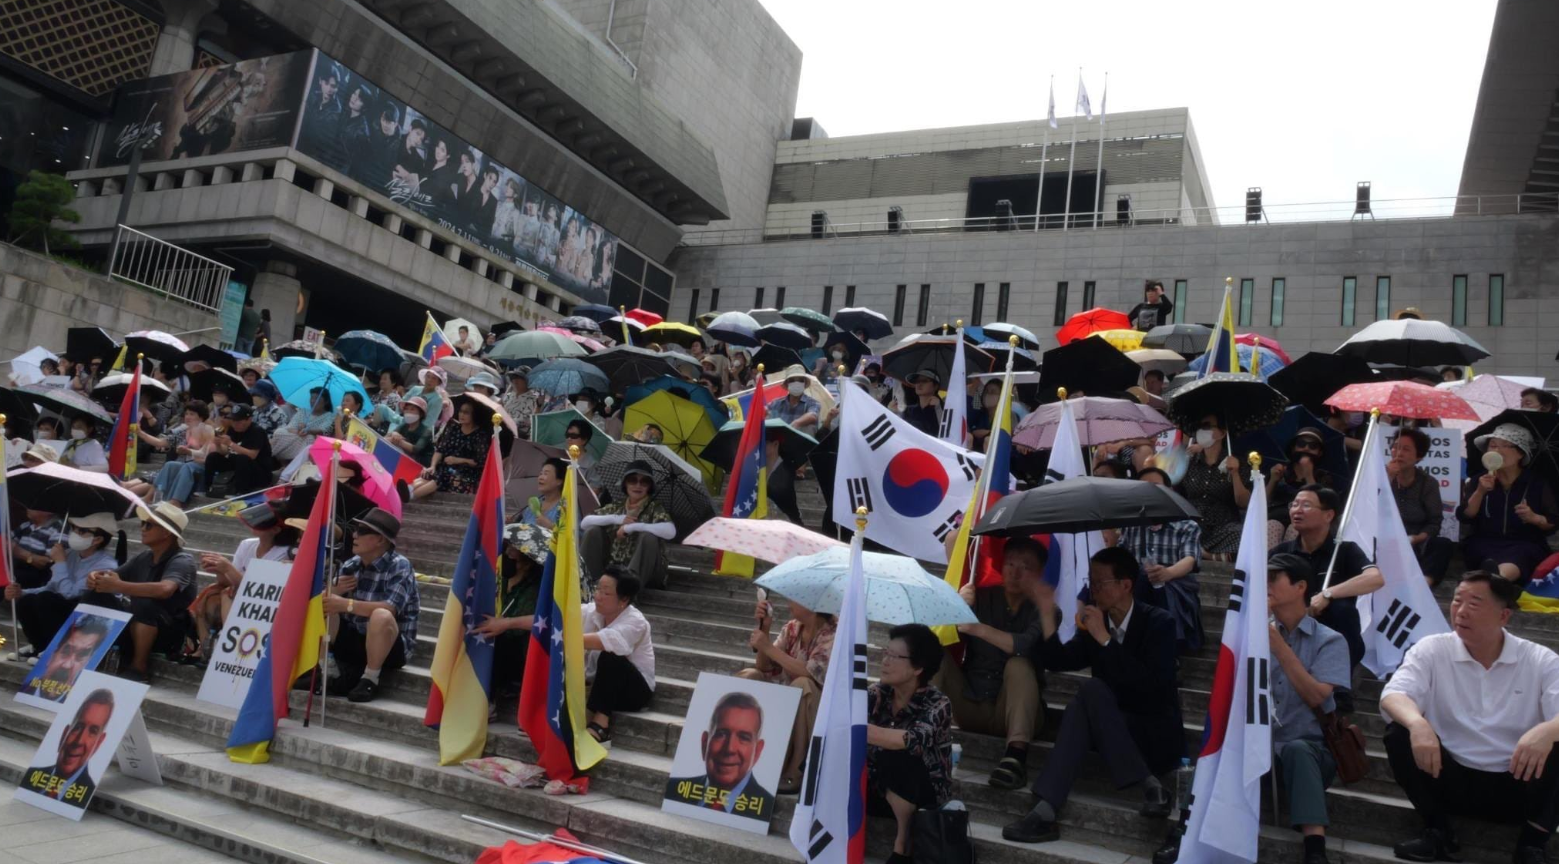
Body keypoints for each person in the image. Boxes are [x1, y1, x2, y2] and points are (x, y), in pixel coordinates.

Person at [1003, 547, 1180, 845]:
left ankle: (1046, 809)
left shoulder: (1159, 622)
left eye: (1100, 583)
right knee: (1089, 694)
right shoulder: (1097, 624)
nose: (1093, 589)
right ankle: (1148, 786)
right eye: (1091, 581)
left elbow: (1153, 689)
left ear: (1126, 585)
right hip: (1109, 729)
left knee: (1090, 691)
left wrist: (1106, 640)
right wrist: (1047, 614)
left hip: (1152, 733)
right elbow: (1059, 661)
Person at [1381, 571, 1559, 864]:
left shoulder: (1540, 659)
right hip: (1449, 778)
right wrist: (1417, 724)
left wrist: (1548, 730)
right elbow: (1393, 695)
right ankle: (1437, 830)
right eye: (1456, 600)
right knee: (1398, 731)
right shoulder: (1432, 648)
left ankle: (1532, 844)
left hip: (1518, 783)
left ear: (1503, 616)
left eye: (1474, 604)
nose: (1460, 611)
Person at [938, 536, 1046, 791]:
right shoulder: (980, 596)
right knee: (932, 652)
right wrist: (955, 602)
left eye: (1025, 566)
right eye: (1010, 564)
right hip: (971, 702)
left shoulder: (1046, 609)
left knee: (1018, 664)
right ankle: (919, 736)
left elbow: (1025, 645)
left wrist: (979, 629)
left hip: (1014, 712)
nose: (1015, 572)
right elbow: (944, 633)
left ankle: (1015, 758)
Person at [1266, 553, 1354, 864]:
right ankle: (1183, 829)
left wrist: (1277, 645)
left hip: (1314, 752)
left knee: (1298, 749)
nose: (1265, 585)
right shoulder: (1254, 636)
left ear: (1300, 586)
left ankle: (1315, 850)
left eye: (1273, 578)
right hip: (1262, 750)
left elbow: (1317, 697)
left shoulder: (1330, 640)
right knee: (1222, 747)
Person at [867, 622, 954, 864]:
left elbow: (913, 739)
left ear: (918, 668)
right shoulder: (877, 694)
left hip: (922, 794)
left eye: (894, 656)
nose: (885, 661)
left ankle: (903, 843)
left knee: (897, 753)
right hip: (878, 787)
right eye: (885, 653)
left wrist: (862, 730)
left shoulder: (938, 703)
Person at [1272, 485, 1383, 673]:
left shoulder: (1345, 550)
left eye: (1306, 505)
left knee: (1342, 610)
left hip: (1335, 644)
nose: (1297, 510)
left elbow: (1375, 579)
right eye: (1295, 504)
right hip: (1290, 636)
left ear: (1328, 515)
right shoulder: (1280, 553)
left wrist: (1328, 594)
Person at [82, 503, 197, 683]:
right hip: (138, 624)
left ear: (166, 533)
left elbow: (165, 589)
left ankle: (139, 667)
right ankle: (85, 653)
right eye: (142, 523)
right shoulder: (144, 557)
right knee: (94, 594)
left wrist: (118, 586)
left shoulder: (182, 560)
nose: (142, 528)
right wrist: (96, 577)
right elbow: (113, 576)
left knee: (145, 603)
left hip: (168, 632)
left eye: (148, 525)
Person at [738, 594, 836, 795]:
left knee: (802, 685)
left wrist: (767, 646)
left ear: (812, 603)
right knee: (750, 675)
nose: (789, 602)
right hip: (784, 697)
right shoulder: (792, 627)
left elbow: (810, 671)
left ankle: (796, 769)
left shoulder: (834, 632)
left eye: (794, 597)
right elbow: (764, 666)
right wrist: (765, 627)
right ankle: (741, 755)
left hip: (816, 708)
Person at [325, 508, 419, 703]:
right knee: (323, 605)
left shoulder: (400, 565)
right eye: (356, 529)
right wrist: (333, 593)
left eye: (362, 531)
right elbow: (324, 603)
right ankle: (327, 668)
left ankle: (370, 679)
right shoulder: (351, 564)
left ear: (380, 540)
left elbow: (390, 608)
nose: (354, 535)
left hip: (391, 645)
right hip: (355, 639)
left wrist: (346, 603)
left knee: (380, 615)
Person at [1109, 466, 1205, 653]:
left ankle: (1167, 648)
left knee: (1160, 586)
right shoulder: (1132, 525)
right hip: (1137, 588)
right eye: (1144, 487)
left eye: (1156, 486)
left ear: (1170, 491)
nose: (1150, 492)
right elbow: (1120, 559)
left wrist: (1167, 573)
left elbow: (1190, 560)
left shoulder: (1187, 525)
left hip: (1175, 588)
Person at [9, 513, 121, 659]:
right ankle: (40, 646)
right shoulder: (70, 554)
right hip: (64, 605)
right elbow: (51, 587)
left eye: (81, 531)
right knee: (27, 601)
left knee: (46, 600)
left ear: (98, 539)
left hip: (86, 615)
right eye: (74, 529)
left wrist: (60, 562)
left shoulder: (106, 564)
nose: (74, 534)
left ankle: (55, 648)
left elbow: (70, 593)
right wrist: (21, 592)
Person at [191, 501, 292, 662]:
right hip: (238, 593)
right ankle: (205, 648)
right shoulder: (247, 545)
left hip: (265, 604)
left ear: (276, 530)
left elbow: (259, 590)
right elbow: (227, 581)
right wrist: (218, 569)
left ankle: (228, 642)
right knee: (212, 592)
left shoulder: (286, 553)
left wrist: (228, 568)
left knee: (226, 593)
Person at [1460, 423, 1558, 583]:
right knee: (1482, 553)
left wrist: (1534, 517)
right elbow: (1466, 516)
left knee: (1520, 554)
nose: (1497, 451)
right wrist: (1480, 492)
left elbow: (1553, 522)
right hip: (1484, 541)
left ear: (1520, 453)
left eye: (1505, 446)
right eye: (1492, 445)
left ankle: (1492, 581)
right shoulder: (1479, 479)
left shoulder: (1536, 483)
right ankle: (1494, 582)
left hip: (1525, 543)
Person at [471, 522, 551, 713]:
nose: (507, 558)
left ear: (527, 563)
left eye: (513, 558)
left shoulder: (537, 590)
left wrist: (505, 624)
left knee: (496, 639)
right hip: (493, 643)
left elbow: (543, 620)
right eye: (507, 554)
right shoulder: (497, 579)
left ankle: (489, 702)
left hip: (520, 652)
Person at [665, 690, 775, 821]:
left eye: (743, 738)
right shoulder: (673, 789)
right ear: (705, 743)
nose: (729, 748)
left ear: (757, 751)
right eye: (721, 734)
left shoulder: (767, 807)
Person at [582, 566, 656, 747]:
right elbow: (553, 618)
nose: (597, 596)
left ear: (624, 599)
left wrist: (563, 637)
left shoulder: (635, 621)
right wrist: (508, 623)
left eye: (606, 593)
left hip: (632, 692)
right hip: (599, 687)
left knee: (611, 655)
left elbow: (606, 641)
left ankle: (600, 724)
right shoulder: (592, 612)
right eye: (598, 589)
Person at [580, 460, 675, 589]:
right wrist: (617, 519)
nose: (638, 485)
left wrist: (632, 527)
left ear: (649, 486)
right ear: (625, 483)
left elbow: (670, 531)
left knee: (648, 537)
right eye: (632, 480)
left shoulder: (655, 507)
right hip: (613, 567)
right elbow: (585, 522)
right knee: (593, 530)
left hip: (647, 573)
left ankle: (628, 591)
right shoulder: (616, 506)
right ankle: (588, 584)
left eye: (644, 481)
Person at [21, 688, 114, 808]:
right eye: (78, 727)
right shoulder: (31, 776)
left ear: (99, 743)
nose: (79, 741)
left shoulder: (86, 793)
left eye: (93, 731)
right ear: (65, 733)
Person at [1387, 428, 1454, 584]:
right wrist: (1388, 477)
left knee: (1443, 545)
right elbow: (1370, 507)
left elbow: (1434, 522)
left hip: (1415, 541)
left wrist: (1415, 538)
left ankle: (1423, 586)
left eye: (1406, 449)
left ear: (1419, 456)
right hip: (1384, 537)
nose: (1398, 453)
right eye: (1396, 447)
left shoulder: (1428, 483)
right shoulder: (1379, 476)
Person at [1179, 413, 1251, 558]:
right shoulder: (1189, 462)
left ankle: (1200, 553)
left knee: (1242, 534)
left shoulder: (1238, 463)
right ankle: (1210, 555)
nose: (1201, 430)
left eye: (1206, 426)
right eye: (1199, 427)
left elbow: (1243, 503)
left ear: (1222, 433)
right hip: (1193, 524)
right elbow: (1178, 494)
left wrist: (1235, 473)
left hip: (1223, 527)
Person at [18, 614, 112, 703]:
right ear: (52, 654)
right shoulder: (26, 691)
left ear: (87, 662)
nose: (67, 665)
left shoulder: (79, 704)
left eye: (81, 656)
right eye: (66, 652)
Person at [409, 400, 490, 500]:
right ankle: (408, 490)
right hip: (445, 468)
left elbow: (479, 462)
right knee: (429, 474)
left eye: (466, 412)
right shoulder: (453, 427)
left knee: (443, 477)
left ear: (474, 415)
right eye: (461, 411)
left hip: (465, 473)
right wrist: (433, 466)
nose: (462, 414)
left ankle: (410, 496)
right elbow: (440, 449)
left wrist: (458, 460)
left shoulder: (480, 435)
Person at [150, 401, 214, 507]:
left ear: (201, 417)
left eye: (192, 414)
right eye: (187, 414)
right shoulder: (186, 430)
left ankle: (176, 501)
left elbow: (205, 454)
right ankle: (160, 498)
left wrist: (189, 451)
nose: (188, 417)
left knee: (188, 466)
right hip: (189, 463)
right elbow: (161, 442)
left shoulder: (208, 430)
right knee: (170, 465)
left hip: (203, 465)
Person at [205, 403, 274, 495]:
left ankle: (242, 492)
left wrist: (230, 443)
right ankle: (207, 488)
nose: (235, 424)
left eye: (238, 421)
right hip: (237, 466)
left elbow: (252, 455)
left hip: (258, 471)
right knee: (213, 456)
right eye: (233, 420)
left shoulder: (257, 431)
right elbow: (225, 452)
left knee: (242, 458)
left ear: (249, 420)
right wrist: (218, 445)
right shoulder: (233, 429)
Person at [10, 505, 66, 596]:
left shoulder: (59, 528)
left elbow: (48, 562)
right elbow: (9, 540)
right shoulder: (27, 525)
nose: (28, 508)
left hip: (36, 574)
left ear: (49, 511)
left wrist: (19, 552)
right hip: (15, 565)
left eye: (34, 506)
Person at [383, 395, 434, 465]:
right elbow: (386, 437)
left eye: (412, 409)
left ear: (421, 414)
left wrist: (396, 440)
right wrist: (393, 434)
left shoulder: (427, 431)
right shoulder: (405, 425)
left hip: (420, 462)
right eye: (406, 409)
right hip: (405, 456)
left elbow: (415, 449)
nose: (408, 412)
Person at [767, 370, 820, 434]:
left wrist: (797, 423)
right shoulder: (776, 403)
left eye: (800, 380)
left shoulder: (813, 403)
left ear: (805, 384)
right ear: (787, 384)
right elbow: (765, 414)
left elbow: (813, 415)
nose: (796, 383)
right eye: (792, 380)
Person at [520, 457, 567, 530]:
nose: (540, 477)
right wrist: (510, 523)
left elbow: (573, 536)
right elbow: (520, 530)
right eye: (540, 473)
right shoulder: (533, 504)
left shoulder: (565, 508)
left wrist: (551, 526)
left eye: (546, 474)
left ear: (559, 481)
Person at [501, 367, 543, 439]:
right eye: (513, 378)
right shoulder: (508, 396)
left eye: (519, 378)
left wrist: (505, 422)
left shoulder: (533, 399)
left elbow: (527, 421)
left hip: (518, 436)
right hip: (501, 430)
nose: (515, 381)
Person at [900, 369, 943, 437]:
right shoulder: (909, 410)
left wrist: (938, 409)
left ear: (936, 386)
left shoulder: (943, 409)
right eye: (917, 381)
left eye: (924, 381)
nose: (919, 384)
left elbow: (946, 432)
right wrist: (893, 413)